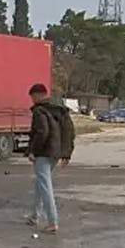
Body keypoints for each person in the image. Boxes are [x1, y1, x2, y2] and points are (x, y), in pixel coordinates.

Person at [24, 83, 75, 235]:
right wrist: (66, 153)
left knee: (45, 186)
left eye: (32, 97)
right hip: (55, 153)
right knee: (40, 184)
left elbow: (42, 132)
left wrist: (33, 151)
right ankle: (34, 215)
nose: (32, 100)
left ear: (39, 95)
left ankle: (53, 222)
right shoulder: (60, 109)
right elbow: (69, 131)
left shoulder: (40, 111)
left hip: (44, 153)